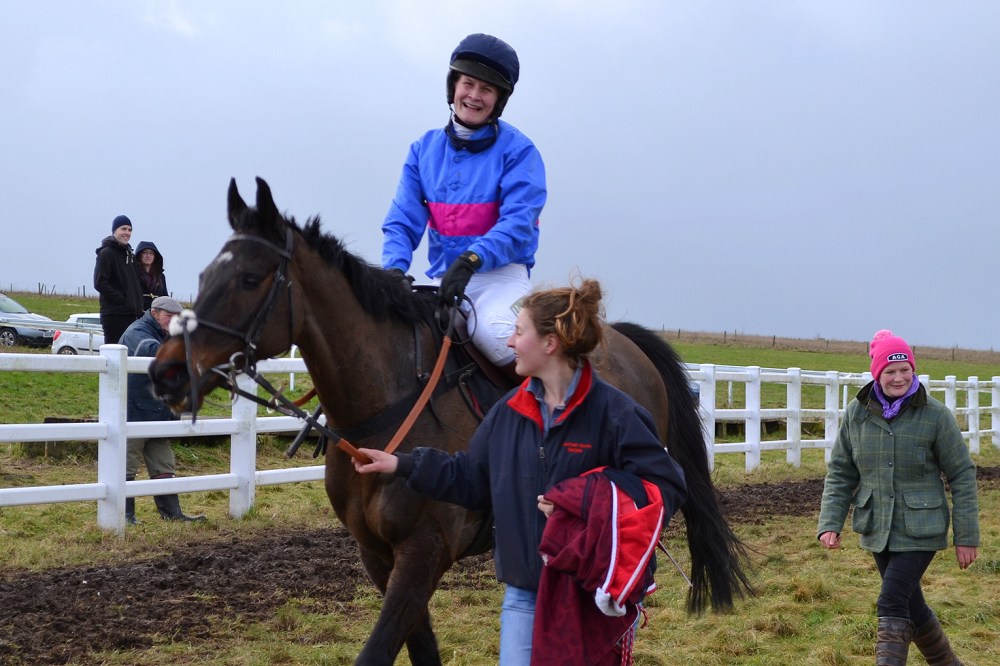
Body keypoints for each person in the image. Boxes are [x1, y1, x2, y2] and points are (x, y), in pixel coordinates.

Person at [353, 279, 687, 664]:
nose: (509, 342)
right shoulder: (510, 411)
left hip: (590, 596)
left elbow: (665, 487)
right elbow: (473, 480)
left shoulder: (616, 414)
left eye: (518, 331)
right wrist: (401, 464)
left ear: (550, 344)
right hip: (524, 594)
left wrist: (587, 500)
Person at [380, 33, 547, 376]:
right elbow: (402, 219)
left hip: (500, 280)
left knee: (499, 338)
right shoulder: (422, 150)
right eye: (467, 83)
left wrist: (471, 259)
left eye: (486, 89)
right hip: (444, 280)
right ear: (452, 85)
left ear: (499, 100)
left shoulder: (521, 152)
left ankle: (539, 425)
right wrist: (394, 270)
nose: (474, 95)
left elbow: (517, 225)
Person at [817, 329, 979, 665]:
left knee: (890, 602)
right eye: (890, 371)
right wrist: (830, 522)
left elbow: (962, 474)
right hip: (877, 528)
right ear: (877, 374)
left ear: (913, 369)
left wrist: (967, 536)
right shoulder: (857, 414)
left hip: (922, 528)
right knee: (911, 605)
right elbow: (841, 472)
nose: (899, 377)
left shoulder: (935, 415)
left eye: (905, 369)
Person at [120, 296, 205, 524]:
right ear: (154, 312)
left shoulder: (166, 333)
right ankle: (124, 516)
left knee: (164, 464)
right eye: (169, 316)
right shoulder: (136, 331)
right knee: (126, 464)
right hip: (134, 412)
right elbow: (151, 351)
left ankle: (172, 514)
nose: (173, 321)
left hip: (158, 412)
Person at [93, 214, 144, 344]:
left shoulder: (130, 255)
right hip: (115, 316)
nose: (127, 233)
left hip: (132, 316)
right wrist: (123, 301)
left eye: (130, 230)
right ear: (114, 230)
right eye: (123, 229)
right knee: (114, 357)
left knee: (130, 358)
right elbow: (100, 283)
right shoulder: (106, 253)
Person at [134, 240, 169, 311]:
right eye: (145, 253)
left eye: (151, 253)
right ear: (139, 255)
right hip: (137, 313)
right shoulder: (133, 274)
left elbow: (165, 296)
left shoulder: (160, 276)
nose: (148, 256)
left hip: (156, 314)